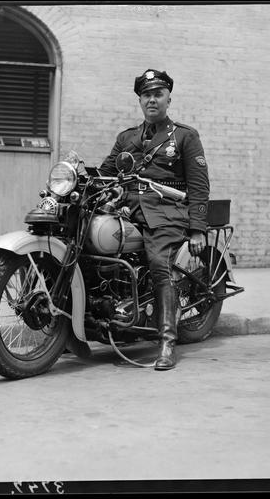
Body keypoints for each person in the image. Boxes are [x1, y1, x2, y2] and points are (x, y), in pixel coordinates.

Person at [99, 68, 210, 370]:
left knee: (159, 263)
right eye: (146, 95)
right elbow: (106, 172)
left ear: (168, 99)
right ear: (139, 100)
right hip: (129, 209)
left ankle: (167, 342)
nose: (152, 100)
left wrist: (198, 229)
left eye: (157, 94)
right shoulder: (127, 138)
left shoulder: (185, 137)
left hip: (166, 213)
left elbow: (199, 186)